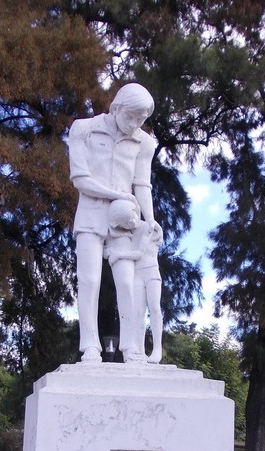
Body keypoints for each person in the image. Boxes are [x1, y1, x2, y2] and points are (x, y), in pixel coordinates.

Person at [68, 83, 156, 362]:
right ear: (116, 108)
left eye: (142, 119)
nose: (136, 124)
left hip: (124, 218)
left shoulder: (145, 143)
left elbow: (142, 183)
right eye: (132, 117)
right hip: (92, 213)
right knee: (89, 279)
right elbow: (80, 179)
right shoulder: (84, 129)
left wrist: (151, 220)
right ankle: (90, 345)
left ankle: (132, 346)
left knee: (128, 283)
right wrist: (117, 194)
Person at [104, 199, 163, 363]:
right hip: (137, 274)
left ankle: (157, 349)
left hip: (151, 272)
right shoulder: (124, 232)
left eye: (132, 218)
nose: (132, 222)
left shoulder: (148, 227)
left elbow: (138, 253)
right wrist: (109, 250)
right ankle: (139, 349)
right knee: (138, 312)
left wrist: (118, 255)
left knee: (154, 307)